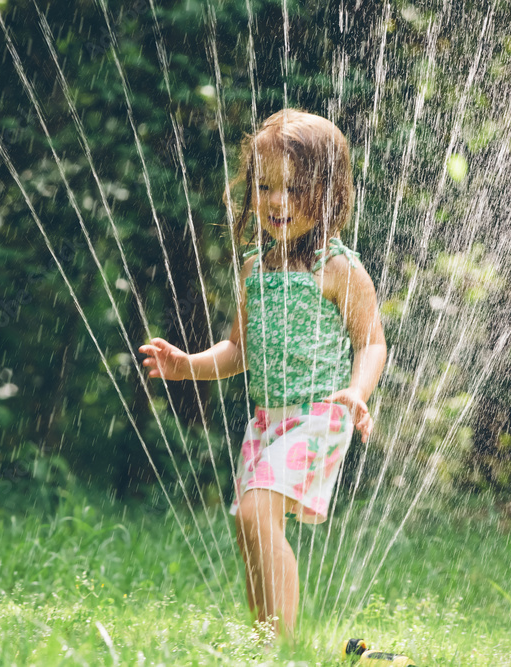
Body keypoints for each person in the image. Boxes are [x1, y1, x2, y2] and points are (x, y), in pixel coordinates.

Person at [138, 108, 387, 641]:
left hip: (319, 418)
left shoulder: (340, 270)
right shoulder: (256, 268)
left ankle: (283, 645)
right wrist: (187, 366)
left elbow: (371, 343)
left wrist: (357, 391)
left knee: (254, 515)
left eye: (294, 189)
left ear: (330, 193)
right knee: (249, 527)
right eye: (266, 186)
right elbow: (236, 349)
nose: (277, 202)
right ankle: (264, 641)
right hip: (267, 423)